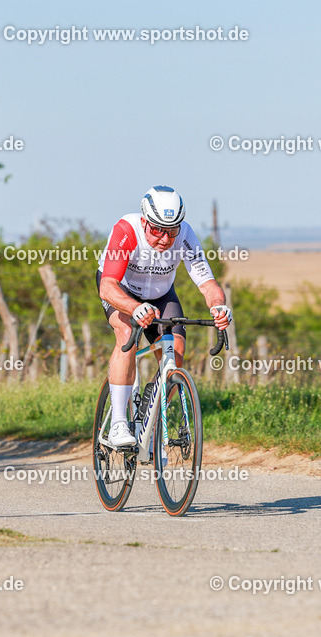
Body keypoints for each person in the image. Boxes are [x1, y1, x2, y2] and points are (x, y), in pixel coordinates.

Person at [97, 185, 231, 447]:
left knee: (175, 354)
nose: (165, 238)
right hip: (120, 290)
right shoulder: (126, 230)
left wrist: (218, 306)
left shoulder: (186, 236)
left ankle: (152, 416)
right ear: (145, 222)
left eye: (172, 231)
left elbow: (208, 284)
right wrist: (134, 308)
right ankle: (118, 424)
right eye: (157, 229)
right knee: (127, 335)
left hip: (160, 294)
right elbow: (107, 286)